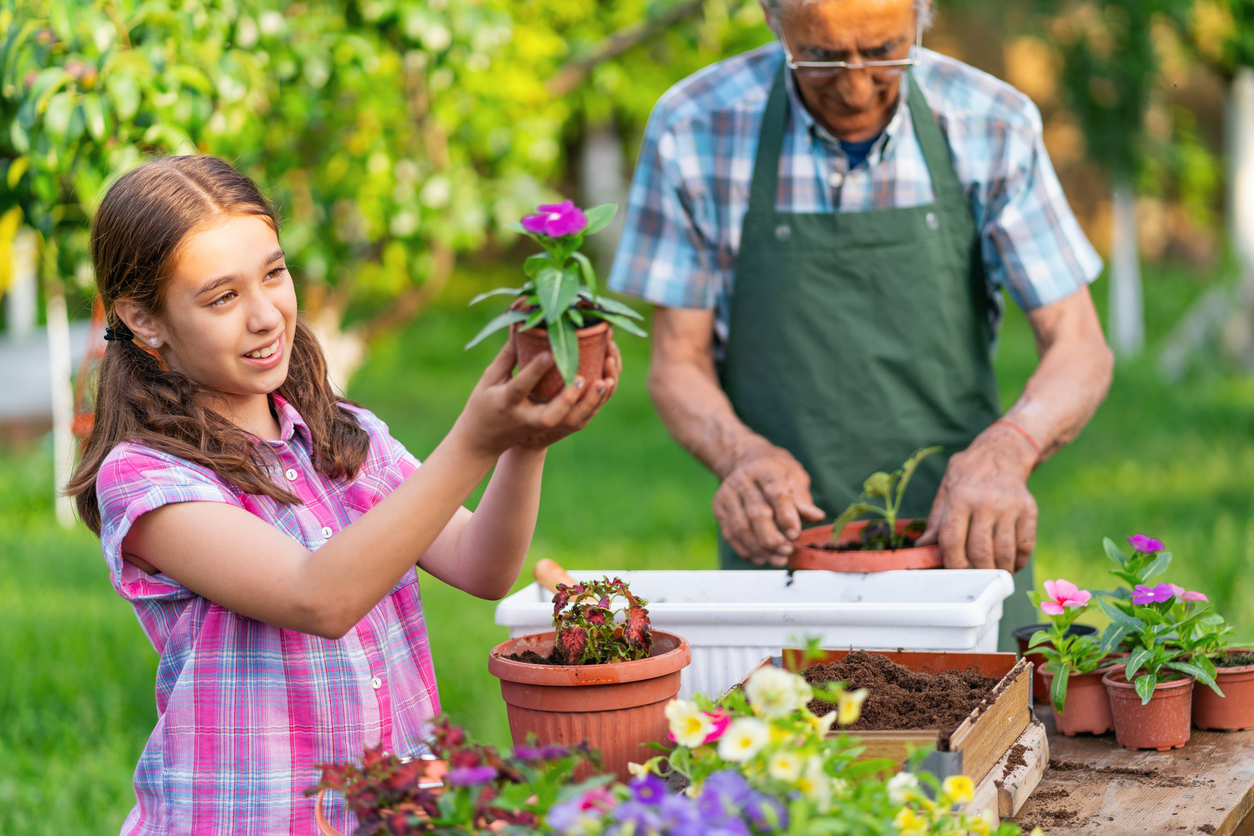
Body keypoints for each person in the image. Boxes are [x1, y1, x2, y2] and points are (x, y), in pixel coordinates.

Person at [66, 156, 620, 835]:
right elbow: (316, 596)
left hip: (391, 816)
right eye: (222, 298)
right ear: (144, 321)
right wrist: (474, 441)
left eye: (274, 273)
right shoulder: (149, 479)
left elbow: (482, 565)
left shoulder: (341, 436)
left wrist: (524, 439)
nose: (267, 315)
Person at [608, 0, 1114, 648]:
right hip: (781, 552)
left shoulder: (991, 122)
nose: (854, 87)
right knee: (785, 740)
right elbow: (678, 361)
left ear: (922, 13)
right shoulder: (696, 126)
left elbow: (1079, 344)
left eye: (883, 52)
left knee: (980, 748)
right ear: (771, 18)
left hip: (964, 550)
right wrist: (740, 455)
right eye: (819, 57)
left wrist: (1008, 451)